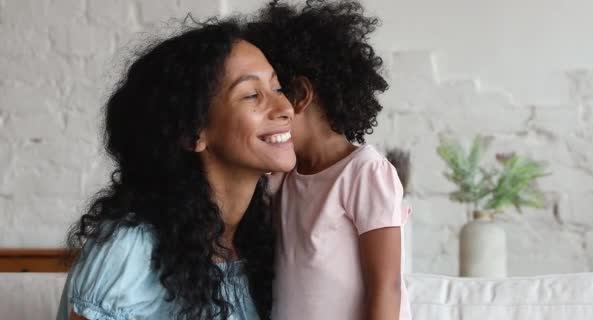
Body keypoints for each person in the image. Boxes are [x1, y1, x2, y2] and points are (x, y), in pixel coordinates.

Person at [56, 17, 295, 320]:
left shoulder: (262, 237)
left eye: (278, 87)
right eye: (251, 95)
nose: (285, 108)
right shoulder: (131, 247)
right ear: (192, 132)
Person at [246, 1, 412, 319]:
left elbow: (385, 286)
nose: (261, 115)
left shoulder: (364, 171)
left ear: (301, 94)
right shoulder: (286, 178)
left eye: (270, 93)